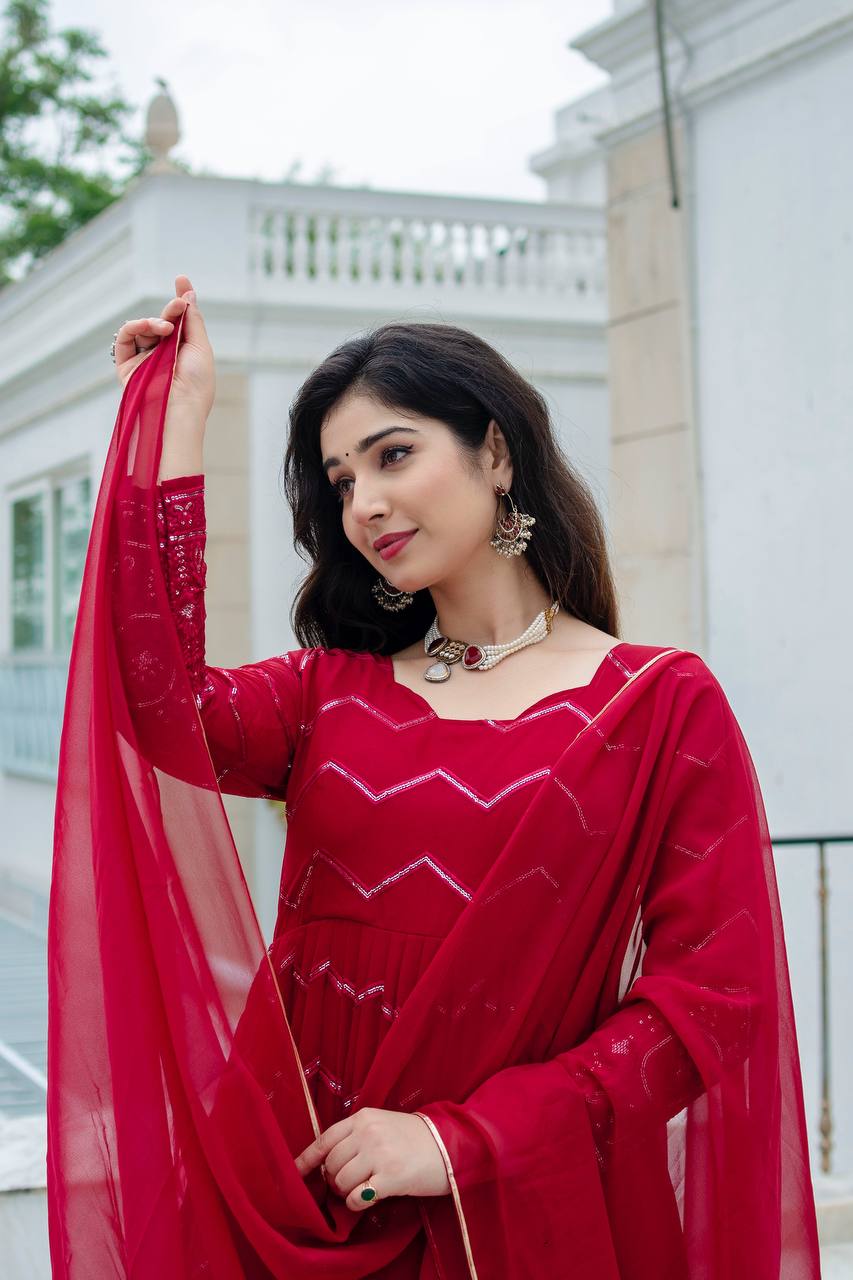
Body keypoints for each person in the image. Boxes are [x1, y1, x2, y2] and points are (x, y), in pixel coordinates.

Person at [46, 276, 821, 1278]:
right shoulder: (331, 692)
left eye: (392, 454)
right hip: (288, 1193)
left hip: (511, 1218)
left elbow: (710, 1003)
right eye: (338, 481)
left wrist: (459, 1140)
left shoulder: (658, 706)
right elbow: (154, 702)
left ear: (494, 452)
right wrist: (179, 417)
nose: (364, 501)